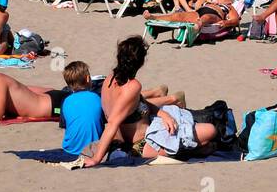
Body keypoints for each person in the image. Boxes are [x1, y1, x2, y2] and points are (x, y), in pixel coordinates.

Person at [81, 37, 200, 166]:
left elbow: (137, 103)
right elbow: (112, 123)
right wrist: (96, 159)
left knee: (195, 128)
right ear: (141, 62)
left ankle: (170, 100)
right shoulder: (133, 86)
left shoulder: (109, 79)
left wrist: (162, 114)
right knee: (209, 131)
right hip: (141, 145)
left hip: (128, 139)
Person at [60, 61, 104, 156]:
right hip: (94, 149)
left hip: (70, 149)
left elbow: (65, 125)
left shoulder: (66, 101)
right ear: (88, 79)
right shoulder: (97, 98)